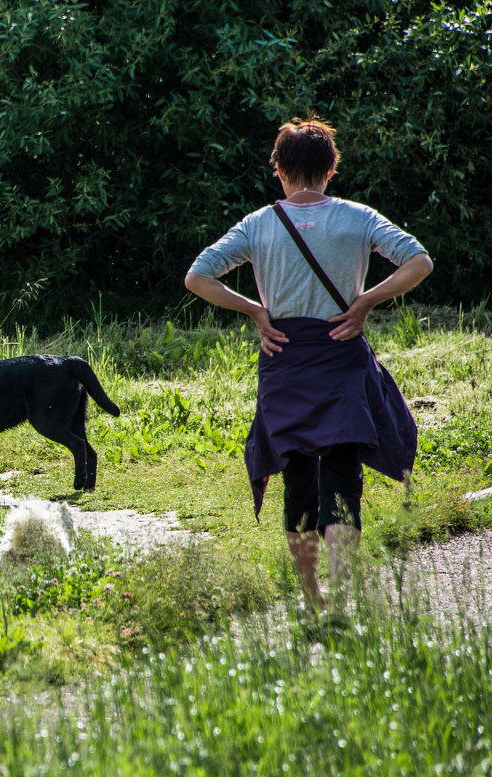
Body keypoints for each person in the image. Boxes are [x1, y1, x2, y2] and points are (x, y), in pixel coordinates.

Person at [184, 117, 433, 617]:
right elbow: (419, 261)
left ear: (279, 170)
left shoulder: (258, 224)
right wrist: (365, 302)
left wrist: (255, 310)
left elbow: (198, 276)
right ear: (331, 168)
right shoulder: (358, 218)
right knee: (341, 474)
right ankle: (345, 596)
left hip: (285, 360)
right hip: (342, 355)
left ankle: (310, 597)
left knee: (297, 477)